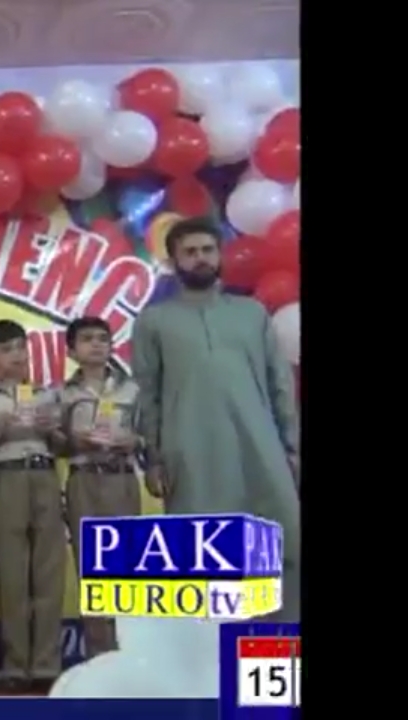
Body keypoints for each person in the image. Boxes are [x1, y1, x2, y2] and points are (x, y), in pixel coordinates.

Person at [133, 217, 300, 621]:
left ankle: (276, 650)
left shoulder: (251, 313)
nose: (200, 258)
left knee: (282, 544)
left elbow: (279, 382)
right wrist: (154, 458)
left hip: (260, 447)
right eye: (190, 252)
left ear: (219, 255)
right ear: (173, 261)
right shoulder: (154, 321)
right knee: (205, 552)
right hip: (190, 453)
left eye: (207, 250)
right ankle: (212, 653)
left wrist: (291, 447)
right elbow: (146, 394)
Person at [0, 319, 64, 693]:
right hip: (6, 476)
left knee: (49, 572)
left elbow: (64, 446)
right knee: (11, 574)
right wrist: (0, 430)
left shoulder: (47, 395)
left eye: (20, 347)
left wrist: (51, 430)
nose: (17, 355)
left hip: (44, 474)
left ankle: (46, 665)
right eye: (6, 349)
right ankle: (15, 665)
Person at [57, 316, 142, 658]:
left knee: (129, 567)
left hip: (122, 478)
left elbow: (147, 434)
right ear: (71, 351)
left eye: (102, 339)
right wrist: (73, 440)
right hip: (84, 481)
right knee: (92, 569)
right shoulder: (63, 394)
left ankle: (133, 653)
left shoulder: (133, 390)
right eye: (87, 339)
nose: (96, 345)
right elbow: (56, 443)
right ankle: (100, 654)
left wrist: (133, 441)